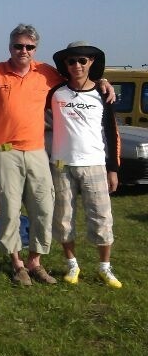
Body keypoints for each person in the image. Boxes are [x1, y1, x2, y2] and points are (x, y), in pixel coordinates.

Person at [0, 24, 115, 287]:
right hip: (5, 152)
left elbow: (78, 81)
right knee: (9, 211)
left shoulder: (46, 73)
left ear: (35, 49)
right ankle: (17, 264)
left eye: (29, 47)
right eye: (18, 46)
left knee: (44, 208)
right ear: (10, 47)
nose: (23, 51)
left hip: (37, 151)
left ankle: (34, 262)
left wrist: (102, 81)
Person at [48, 41, 122, 288]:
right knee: (63, 219)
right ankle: (72, 265)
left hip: (94, 164)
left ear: (91, 62)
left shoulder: (103, 93)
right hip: (61, 165)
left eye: (82, 60)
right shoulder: (55, 92)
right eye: (72, 61)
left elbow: (112, 133)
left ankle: (104, 267)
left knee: (101, 217)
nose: (77, 65)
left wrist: (113, 169)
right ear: (65, 64)